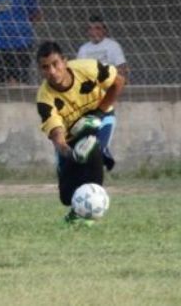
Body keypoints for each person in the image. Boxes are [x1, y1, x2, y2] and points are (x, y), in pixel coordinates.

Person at [35, 41, 125, 225]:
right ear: (40, 70)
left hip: (101, 117)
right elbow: (58, 136)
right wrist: (71, 154)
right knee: (67, 196)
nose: (51, 71)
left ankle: (88, 215)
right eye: (45, 67)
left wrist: (99, 112)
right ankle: (77, 205)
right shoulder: (44, 98)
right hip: (71, 136)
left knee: (92, 149)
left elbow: (119, 81)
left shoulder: (88, 68)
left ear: (65, 62)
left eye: (55, 64)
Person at [77, 15, 128, 80]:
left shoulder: (113, 46)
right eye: (90, 28)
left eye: (97, 28)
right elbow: (79, 69)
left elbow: (122, 67)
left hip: (109, 81)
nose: (94, 32)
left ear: (105, 30)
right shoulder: (83, 49)